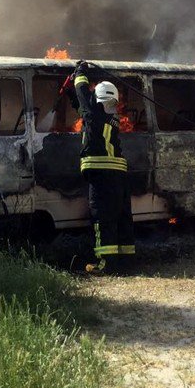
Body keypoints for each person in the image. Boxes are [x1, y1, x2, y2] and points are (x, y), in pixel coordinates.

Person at [69, 60, 135, 272]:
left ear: (98, 98)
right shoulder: (111, 117)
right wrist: (73, 98)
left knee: (103, 217)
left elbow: (81, 90)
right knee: (121, 217)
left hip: (101, 172)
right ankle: (125, 262)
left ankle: (106, 264)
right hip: (118, 173)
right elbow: (84, 111)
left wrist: (80, 72)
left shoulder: (96, 112)